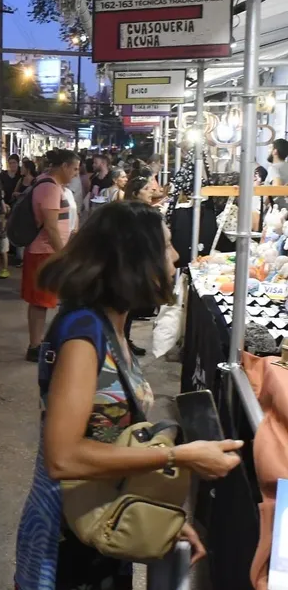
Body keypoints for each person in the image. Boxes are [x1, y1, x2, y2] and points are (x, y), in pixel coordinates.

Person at [14, 202, 243, 590]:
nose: (174, 256)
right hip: (67, 533)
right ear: (134, 258)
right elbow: (63, 457)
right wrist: (178, 455)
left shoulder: (110, 325)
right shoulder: (83, 332)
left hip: (100, 513)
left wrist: (154, 514)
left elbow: (109, 439)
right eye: (166, 245)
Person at [23, 149, 80, 362]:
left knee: (44, 301)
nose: (76, 173)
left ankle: (39, 343)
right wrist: (64, 254)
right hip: (44, 251)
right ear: (63, 166)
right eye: (74, 168)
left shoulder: (55, 186)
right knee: (40, 301)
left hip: (49, 251)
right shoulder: (49, 187)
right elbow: (51, 227)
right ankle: (35, 345)